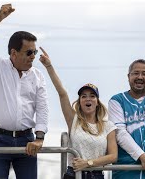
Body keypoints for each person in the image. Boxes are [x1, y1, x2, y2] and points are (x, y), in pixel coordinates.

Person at [0, 4, 49, 179]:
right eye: (29, 52)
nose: (33, 56)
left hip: (27, 141)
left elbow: (42, 108)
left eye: (35, 51)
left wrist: (39, 138)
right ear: (14, 53)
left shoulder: (37, 76)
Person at [39, 48, 117, 179]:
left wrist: (87, 163)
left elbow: (113, 156)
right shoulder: (74, 120)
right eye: (84, 96)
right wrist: (49, 66)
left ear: (97, 102)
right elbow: (62, 93)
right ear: (80, 101)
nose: (88, 99)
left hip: (96, 175)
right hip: (73, 174)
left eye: (92, 96)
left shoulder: (108, 126)